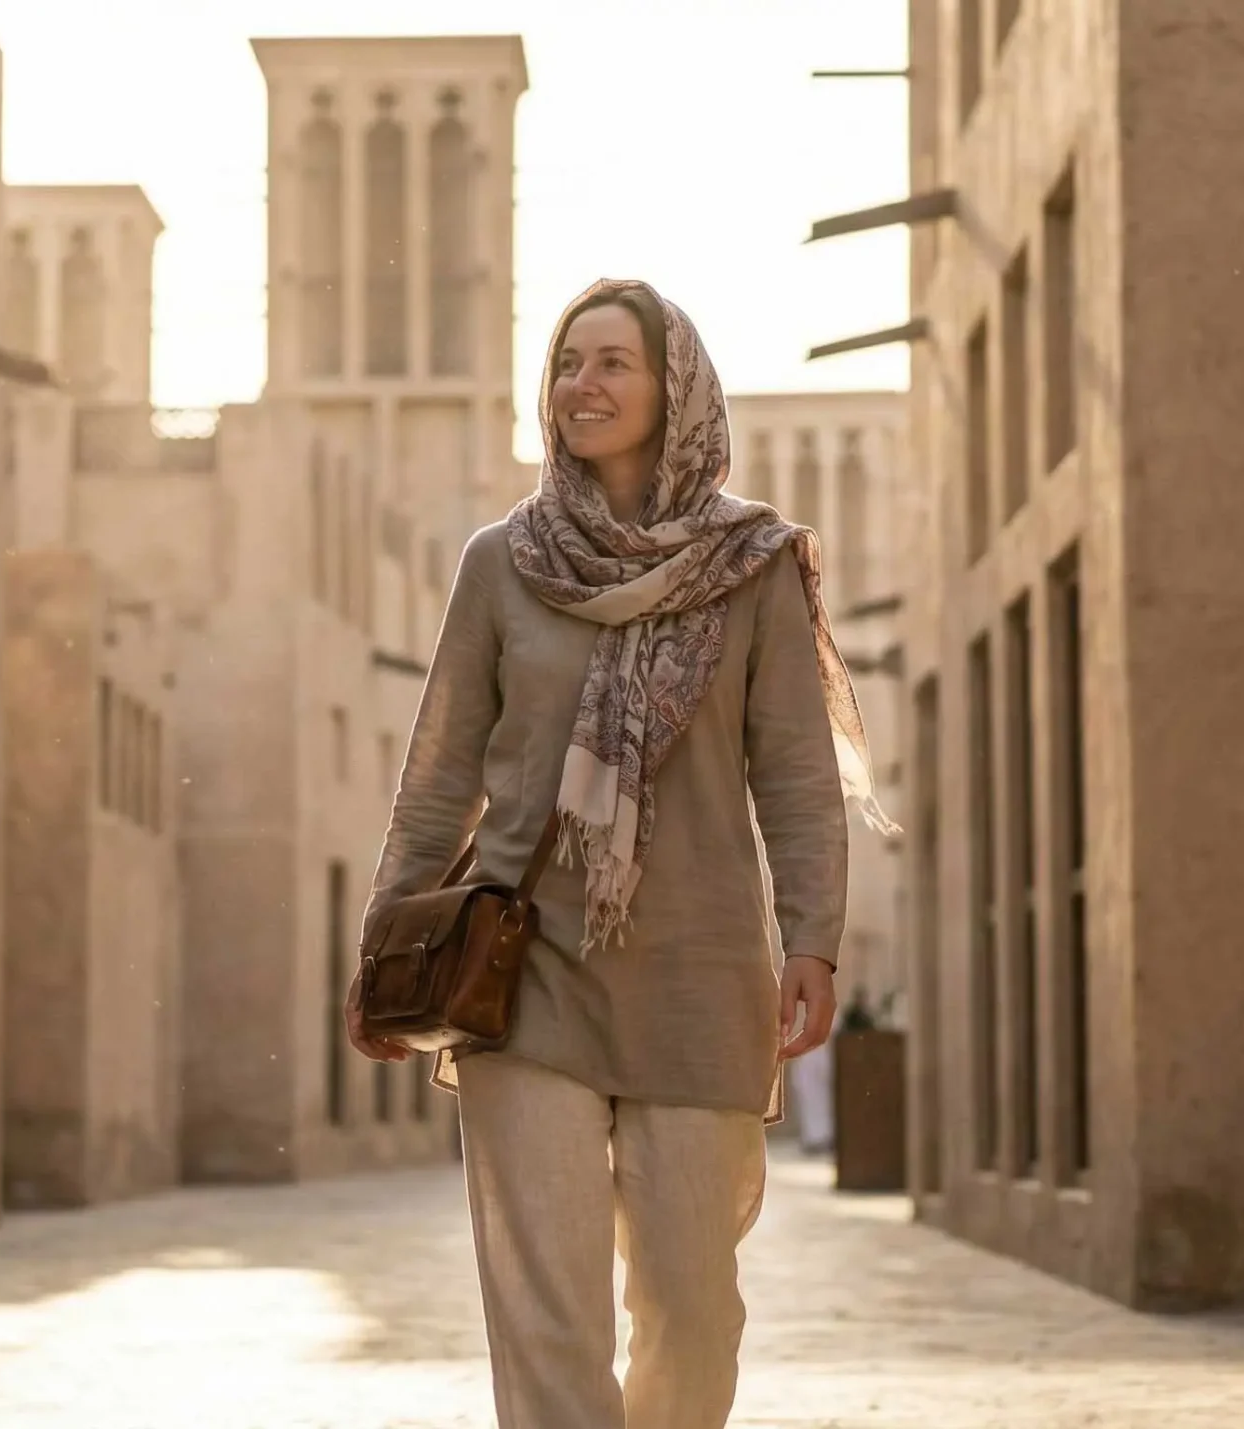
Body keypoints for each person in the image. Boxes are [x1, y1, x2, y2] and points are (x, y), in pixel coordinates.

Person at [346, 277, 895, 1428]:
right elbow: (441, 767)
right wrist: (388, 948)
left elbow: (794, 772)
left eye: (611, 364)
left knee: (693, 1309)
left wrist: (815, 941)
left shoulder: (752, 565)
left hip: (700, 978)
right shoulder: (502, 561)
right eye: (565, 363)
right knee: (546, 1312)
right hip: (522, 969)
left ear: (673, 387)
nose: (581, 386)